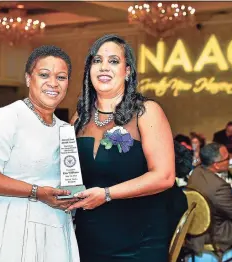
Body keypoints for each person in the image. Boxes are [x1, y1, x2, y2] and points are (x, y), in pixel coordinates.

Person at [0, 45, 80, 262]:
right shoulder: (7, 118)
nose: (53, 83)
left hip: (55, 226)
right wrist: (37, 192)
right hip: (9, 225)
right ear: (28, 79)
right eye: (44, 75)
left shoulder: (65, 129)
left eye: (61, 77)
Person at [68, 34, 175, 262]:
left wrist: (106, 195)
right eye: (97, 61)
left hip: (138, 242)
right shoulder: (80, 117)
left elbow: (164, 176)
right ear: (89, 70)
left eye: (114, 61)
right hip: (88, 238)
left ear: (127, 71)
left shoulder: (146, 112)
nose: (104, 67)